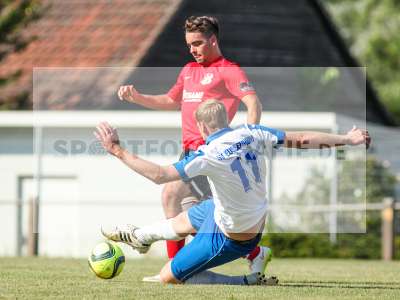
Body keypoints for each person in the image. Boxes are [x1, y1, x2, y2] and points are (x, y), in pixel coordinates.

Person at [95, 99, 371, 285]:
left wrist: (117, 150)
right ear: (227, 120)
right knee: (182, 220)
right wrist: (348, 139)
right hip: (240, 217)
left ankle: (247, 282)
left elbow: (158, 175)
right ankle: (140, 236)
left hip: (233, 237)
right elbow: (302, 139)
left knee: (170, 277)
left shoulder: (207, 153)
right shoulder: (252, 132)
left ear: (202, 127)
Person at [118, 15, 267, 269]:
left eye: (197, 43)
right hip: (189, 152)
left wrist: (249, 139)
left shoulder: (227, 70)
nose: (192, 49)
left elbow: (253, 103)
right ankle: (253, 254)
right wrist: (137, 98)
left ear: (212, 40)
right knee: (193, 217)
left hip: (211, 153)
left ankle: (176, 268)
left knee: (172, 197)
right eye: (189, 45)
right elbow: (171, 100)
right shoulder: (189, 71)